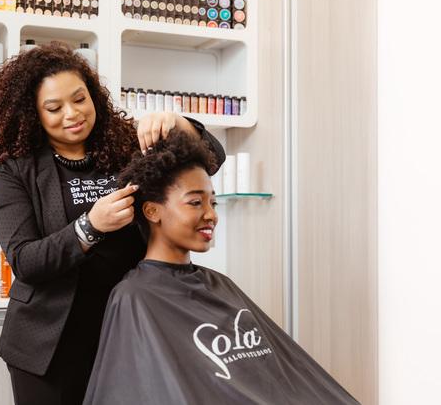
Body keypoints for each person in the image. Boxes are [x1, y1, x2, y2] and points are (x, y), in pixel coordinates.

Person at [0, 42, 225, 405]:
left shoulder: (127, 145)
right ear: (33, 114)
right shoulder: (16, 172)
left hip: (128, 329)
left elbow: (212, 158)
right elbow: (26, 261)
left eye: (80, 99)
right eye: (54, 108)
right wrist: (90, 226)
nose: (72, 114)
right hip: (50, 348)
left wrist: (179, 124)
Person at [83, 131, 360, 405]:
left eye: (212, 202)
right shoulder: (135, 297)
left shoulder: (220, 284)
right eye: (195, 202)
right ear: (152, 211)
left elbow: (286, 375)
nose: (211, 215)